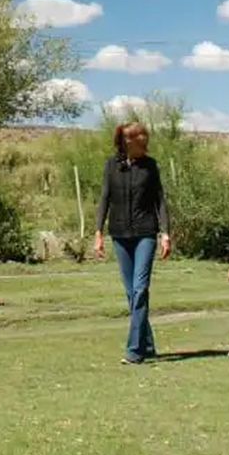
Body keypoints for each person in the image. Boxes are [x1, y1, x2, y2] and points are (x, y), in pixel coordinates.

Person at [94, 121, 171, 364]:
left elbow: (160, 201)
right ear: (126, 141)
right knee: (131, 294)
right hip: (119, 235)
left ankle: (134, 351)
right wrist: (98, 232)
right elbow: (104, 198)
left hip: (145, 233)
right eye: (140, 140)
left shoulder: (150, 166)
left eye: (145, 140)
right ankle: (147, 344)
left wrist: (165, 233)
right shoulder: (111, 165)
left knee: (140, 290)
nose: (144, 144)